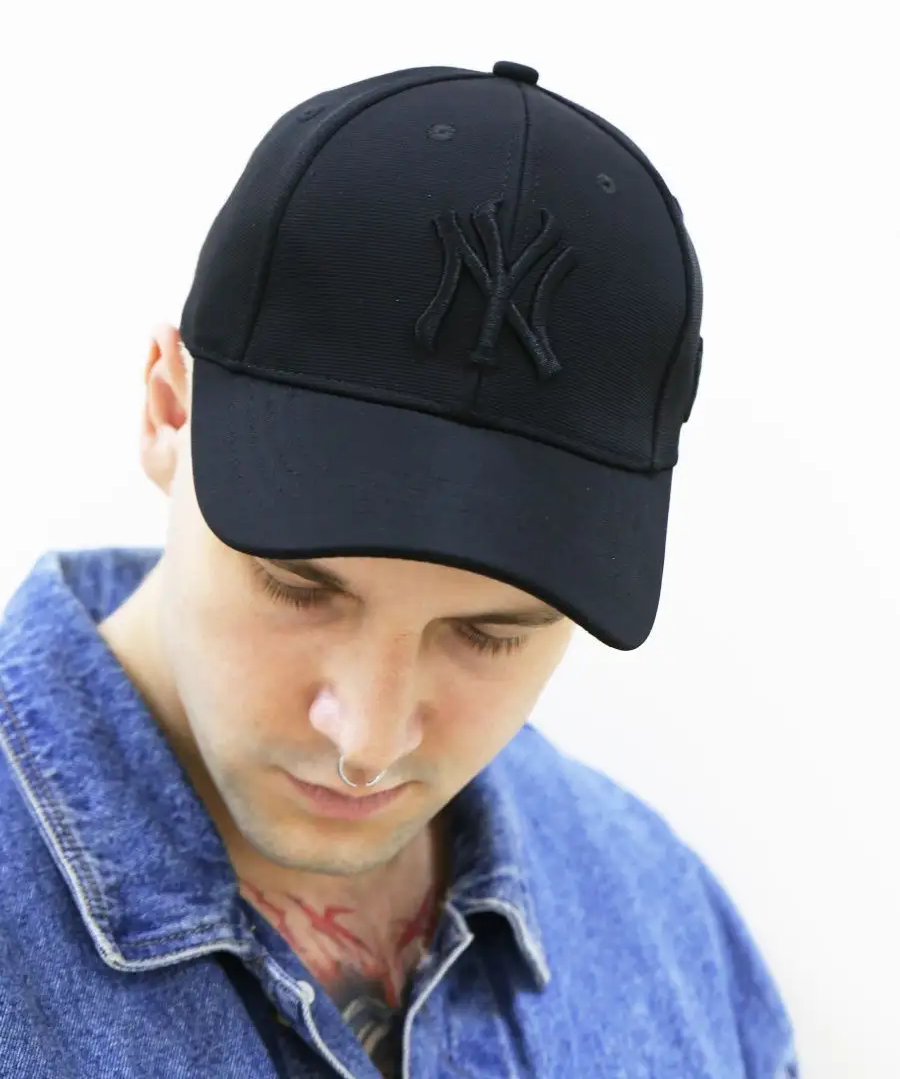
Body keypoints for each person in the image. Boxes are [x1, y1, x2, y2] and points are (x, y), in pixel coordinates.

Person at [0, 60, 799, 1078]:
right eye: (299, 589)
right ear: (168, 409)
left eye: (489, 635)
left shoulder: (664, 917)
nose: (367, 743)